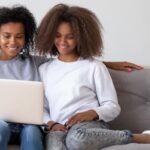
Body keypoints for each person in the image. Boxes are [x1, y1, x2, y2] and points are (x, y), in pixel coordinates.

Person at [36, 4, 150, 150]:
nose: (63, 42)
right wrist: (51, 123)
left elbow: (112, 106)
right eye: (57, 36)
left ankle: (140, 137)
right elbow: (42, 108)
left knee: (77, 140)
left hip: (89, 126)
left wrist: (91, 113)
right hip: (58, 127)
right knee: (56, 147)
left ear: (81, 38)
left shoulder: (94, 67)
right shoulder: (44, 69)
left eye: (70, 37)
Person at [0, 5, 45, 150]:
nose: (13, 42)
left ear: (26, 38)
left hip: (29, 124)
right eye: (7, 36)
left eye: (19, 36)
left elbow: (67, 62)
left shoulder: (36, 62)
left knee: (31, 132)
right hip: (1, 124)